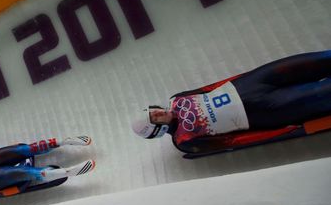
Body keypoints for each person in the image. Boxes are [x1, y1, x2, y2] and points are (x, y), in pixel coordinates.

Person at [131, 50, 331, 154]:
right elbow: (235, 141)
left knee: (320, 60)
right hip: (267, 109)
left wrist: (248, 76)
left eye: (152, 111)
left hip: (253, 83)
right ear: (158, 130)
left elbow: (211, 87)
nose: (157, 113)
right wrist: (288, 130)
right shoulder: (185, 141)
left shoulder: (176, 99)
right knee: (323, 92)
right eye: (154, 119)